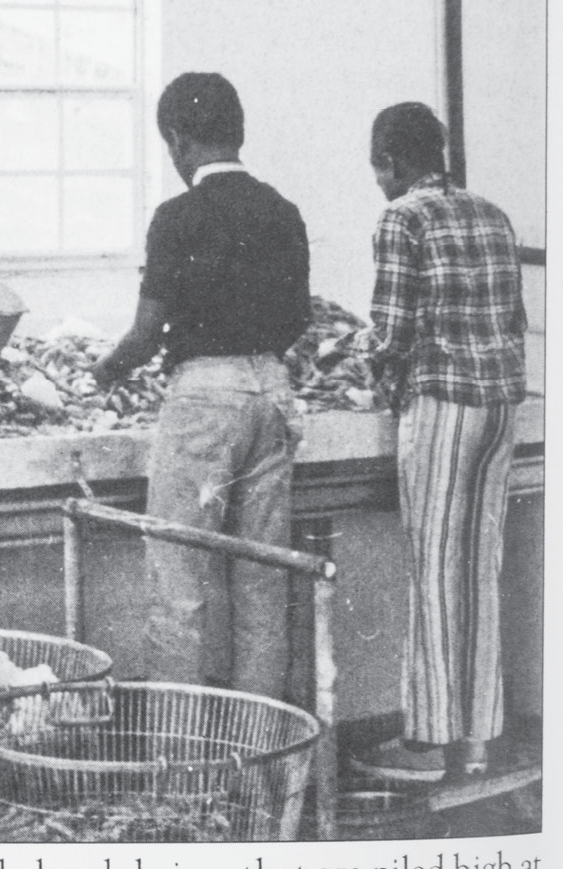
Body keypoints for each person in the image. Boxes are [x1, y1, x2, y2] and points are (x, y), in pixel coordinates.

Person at [89, 72, 310, 700]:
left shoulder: (176, 217)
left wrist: (105, 371)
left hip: (204, 404)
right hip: (273, 392)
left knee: (178, 580)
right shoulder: (283, 212)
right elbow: (298, 317)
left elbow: (145, 332)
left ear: (179, 140)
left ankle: (181, 767)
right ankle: (262, 756)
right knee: (264, 581)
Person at [347, 103, 527, 782]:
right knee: (480, 571)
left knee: (433, 570)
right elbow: (514, 316)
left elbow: (391, 332)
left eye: (377, 168)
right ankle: (477, 741)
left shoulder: (402, 216)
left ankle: (425, 743)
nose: (378, 181)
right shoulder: (491, 212)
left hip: (444, 406)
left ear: (391, 161)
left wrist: (359, 353)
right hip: (502, 404)